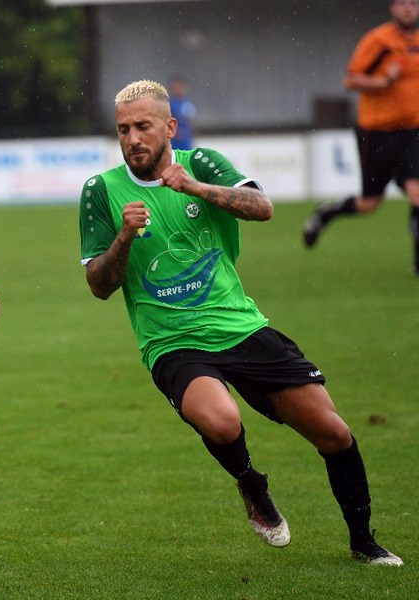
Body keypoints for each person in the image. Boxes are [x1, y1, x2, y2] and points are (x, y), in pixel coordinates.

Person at [79, 79, 402, 566]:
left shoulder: (202, 163)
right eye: (123, 129)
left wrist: (196, 188)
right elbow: (99, 285)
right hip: (172, 341)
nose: (132, 139)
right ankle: (252, 484)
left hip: (241, 327)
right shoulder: (100, 192)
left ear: (170, 126)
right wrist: (124, 237)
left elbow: (263, 208)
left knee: (334, 433)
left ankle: (364, 543)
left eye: (143, 126)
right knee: (223, 420)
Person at [303, 0, 419, 276]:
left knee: (417, 191)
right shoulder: (378, 40)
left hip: (411, 131)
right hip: (377, 132)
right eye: (403, 4)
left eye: (414, 4)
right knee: (369, 203)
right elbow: (350, 80)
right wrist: (382, 82)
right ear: (393, 8)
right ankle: (325, 214)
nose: (409, 9)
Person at [168, 75, 196, 150]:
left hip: (186, 141)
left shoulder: (187, 103)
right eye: (176, 87)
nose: (178, 89)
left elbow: (191, 121)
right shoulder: (169, 103)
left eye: (180, 87)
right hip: (174, 141)